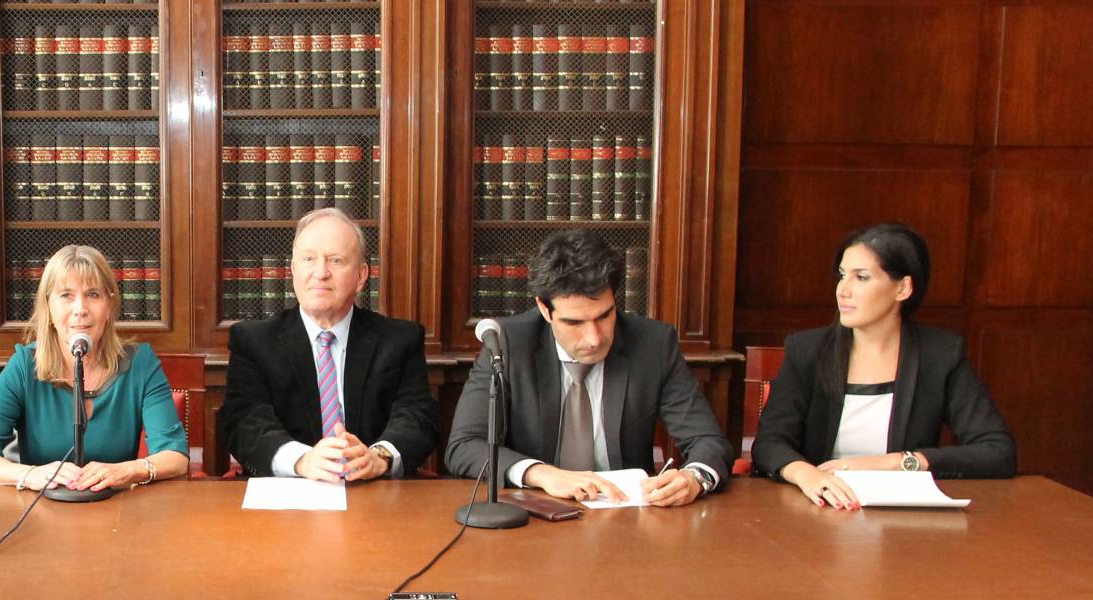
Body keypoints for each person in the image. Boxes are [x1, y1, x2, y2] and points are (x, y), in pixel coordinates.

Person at [445, 229, 729, 507]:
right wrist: (542, 474)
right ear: (544, 309)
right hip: (536, 516)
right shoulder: (507, 344)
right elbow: (464, 445)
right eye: (574, 323)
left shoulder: (653, 345)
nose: (594, 338)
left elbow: (707, 439)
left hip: (625, 518)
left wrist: (695, 478)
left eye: (604, 316)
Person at [752, 223, 1015, 509]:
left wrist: (901, 462)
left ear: (902, 288)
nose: (843, 290)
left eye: (861, 277)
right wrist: (807, 475)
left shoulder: (939, 355)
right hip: (820, 509)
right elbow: (769, 443)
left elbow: (998, 452)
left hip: (901, 518)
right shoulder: (808, 350)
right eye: (842, 276)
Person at [219, 208, 439, 481]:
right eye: (309, 259)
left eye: (336, 260)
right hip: (285, 499)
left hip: (373, 495)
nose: (321, 273)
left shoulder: (399, 340)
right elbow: (244, 422)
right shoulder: (253, 341)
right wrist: (302, 460)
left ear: (361, 276)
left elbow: (417, 417)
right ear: (293, 270)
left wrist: (378, 457)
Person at [0, 245, 188, 492]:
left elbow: (175, 456)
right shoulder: (25, 365)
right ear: (48, 306)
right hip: (42, 514)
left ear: (110, 305)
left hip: (119, 512)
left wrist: (128, 469)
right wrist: (30, 474)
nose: (80, 309)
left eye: (93, 294)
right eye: (66, 295)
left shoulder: (140, 363)